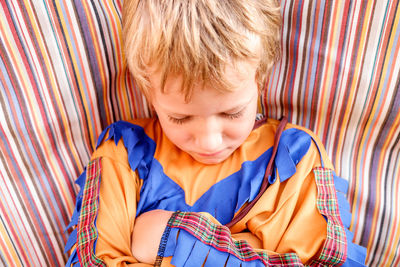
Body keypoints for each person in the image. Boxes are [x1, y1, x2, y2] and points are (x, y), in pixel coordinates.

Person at [65, 0, 367, 266]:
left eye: (232, 113)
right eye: (180, 118)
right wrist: (248, 246)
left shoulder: (294, 158)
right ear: (149, 93)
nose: (210, 140)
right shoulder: (125, 153)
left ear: (260, 77)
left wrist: (164, 238)